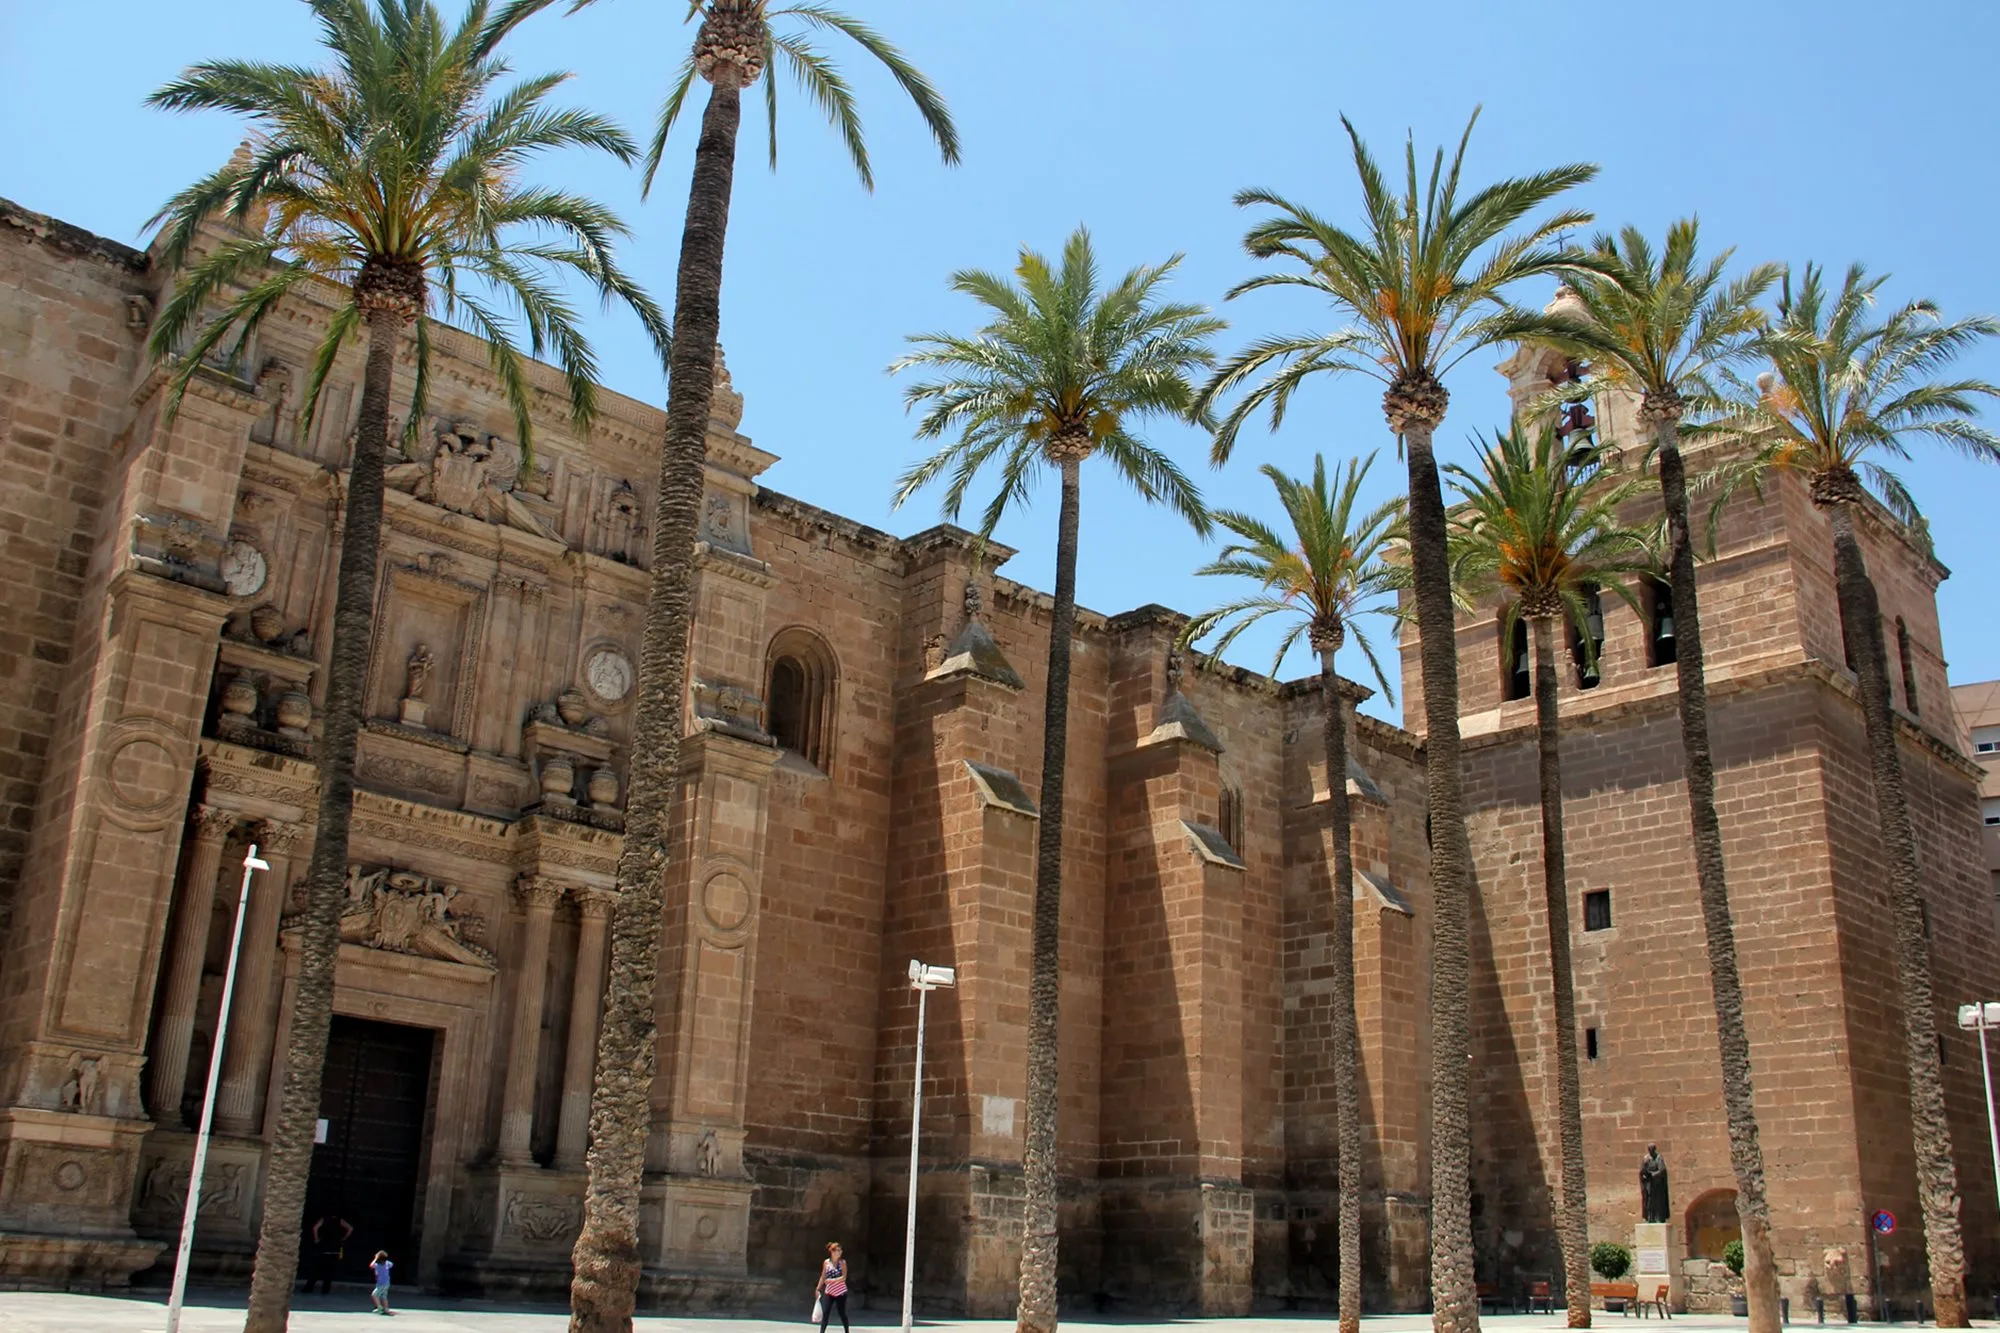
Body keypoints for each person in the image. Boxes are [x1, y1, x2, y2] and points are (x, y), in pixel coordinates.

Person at [302, 1213, 352, 1294]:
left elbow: (315, 1228)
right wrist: (343, 1238)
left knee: (316, 1269)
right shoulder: (339, 1220)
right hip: (335, 1248)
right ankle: (325, 1289)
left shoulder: (324, 1219)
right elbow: (350, 1228)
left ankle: (309, 1288)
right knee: (329, 1271)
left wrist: (316, 1239)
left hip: (324, 1247)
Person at [815, 1240, 850, 1333]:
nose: (839, 1252)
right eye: (837, 1250)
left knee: (842, 1313)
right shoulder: (826, 1262)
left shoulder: (842, 1262)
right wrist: (818, 1288)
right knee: (826, 1313)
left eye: (840, 1250)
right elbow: (823, 1276)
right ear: (832, 1252)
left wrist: (832, 1281)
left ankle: (847, 1331)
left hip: (840, 1292)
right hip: (829, 1291)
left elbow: (844, 1277)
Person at [369, 1250, 394, 1317]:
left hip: (381, 1284)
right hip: (387, 1283)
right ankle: (386, 1309)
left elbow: (371, 1265)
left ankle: (380, 1308)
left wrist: (375, 1258)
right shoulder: (387, 1263)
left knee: (374, 1295)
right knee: (384, 1296)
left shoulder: (377, 1265)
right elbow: (391, 1265)